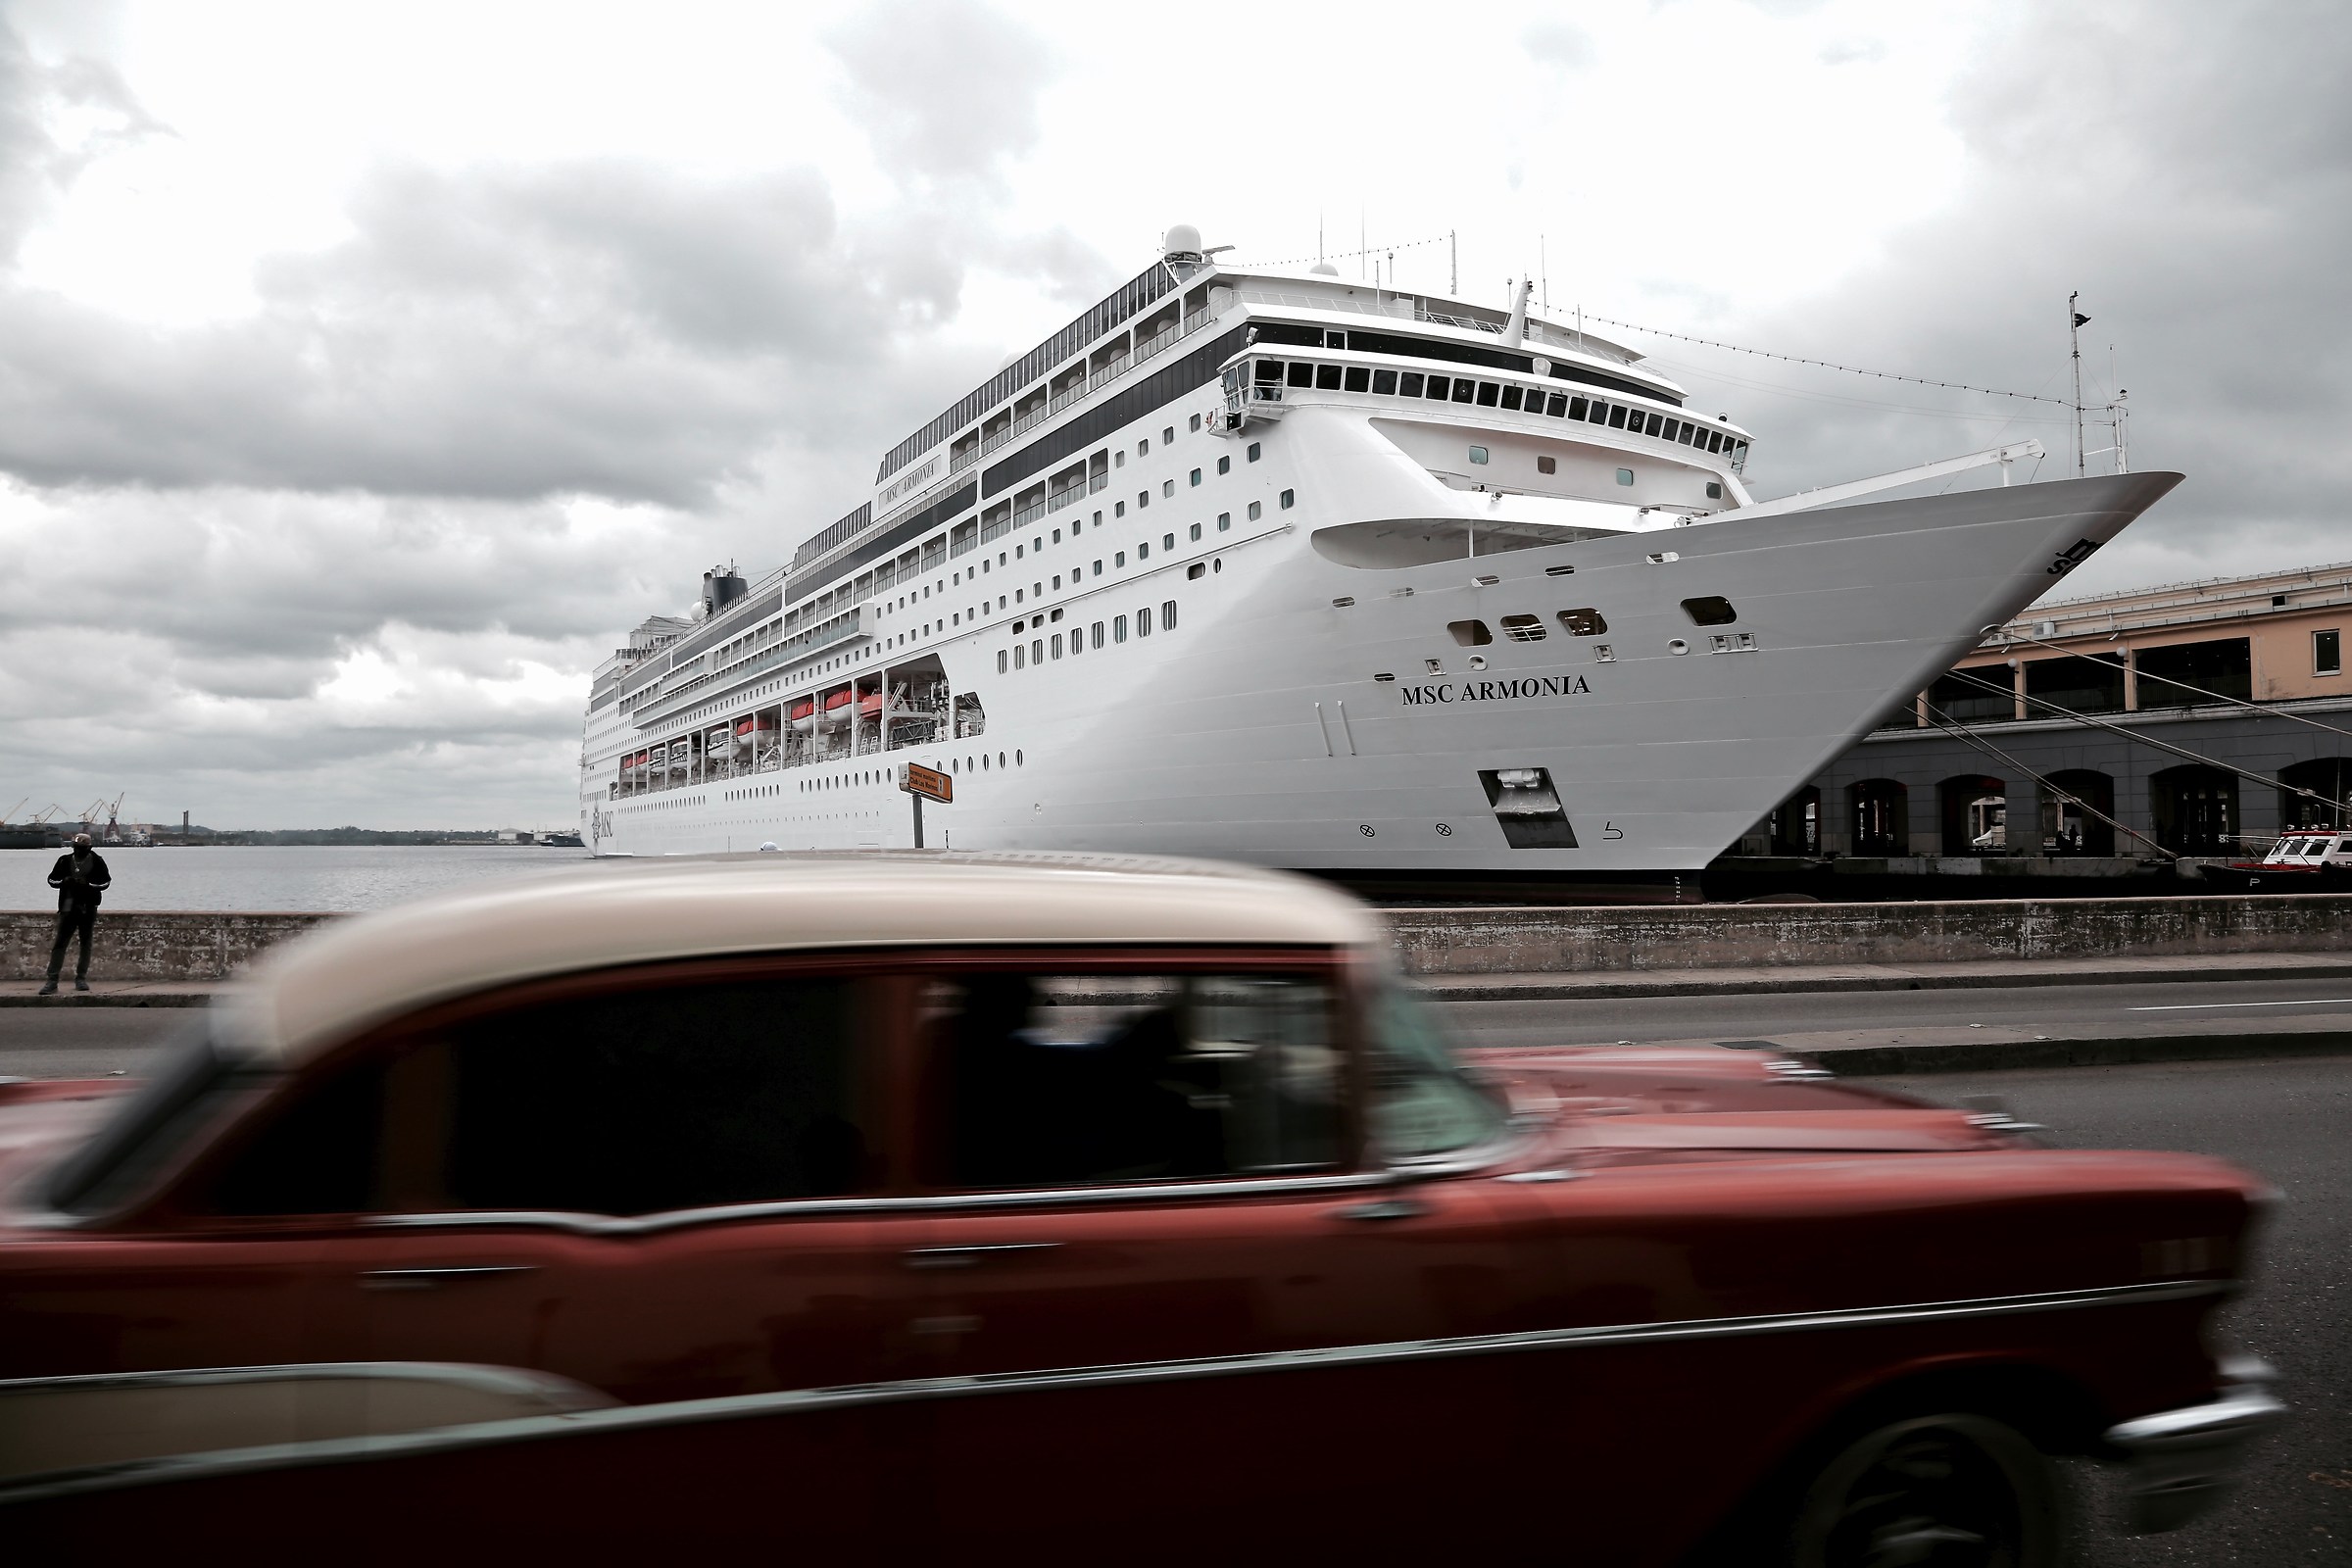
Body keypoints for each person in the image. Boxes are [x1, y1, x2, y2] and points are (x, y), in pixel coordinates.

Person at [41, 833, 112, 996]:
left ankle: (81, 978)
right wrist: (65, 881)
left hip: (88, 907)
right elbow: (52, 880)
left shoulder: (97, 861)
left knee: (85, 944)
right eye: (77, 848)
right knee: (60, 944)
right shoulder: (64, 861)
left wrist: (89, 884)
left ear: (89, 848)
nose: (79, 850)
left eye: (82, 848)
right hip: (68, 906)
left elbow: (105, 882)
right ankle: (52, 980)